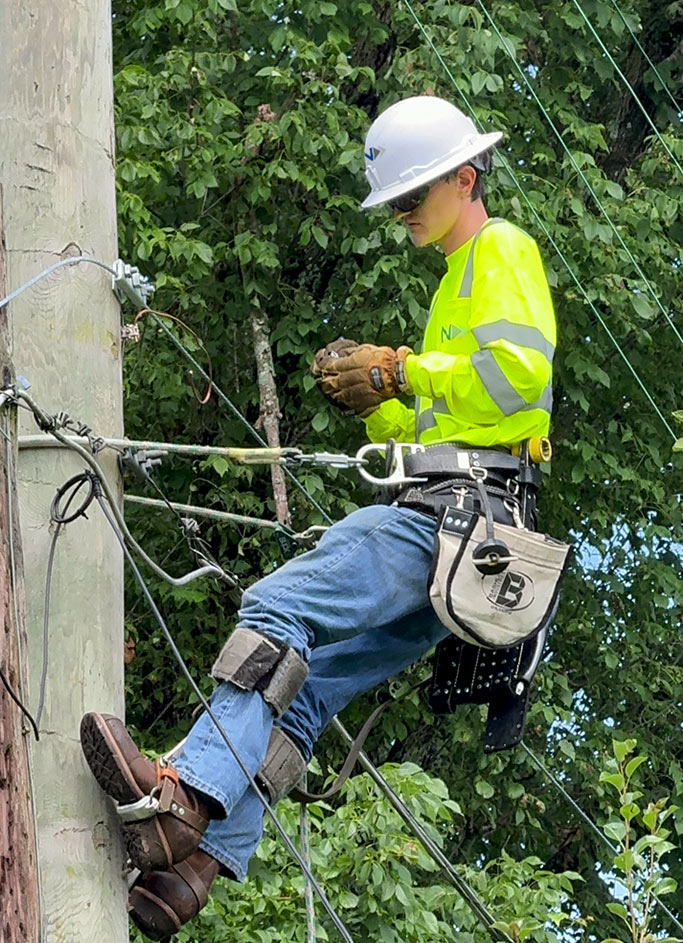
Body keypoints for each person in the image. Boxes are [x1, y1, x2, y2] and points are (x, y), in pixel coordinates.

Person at [80, 94, 556, 940]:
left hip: (451, 520)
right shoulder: (456, 282)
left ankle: (183, 796)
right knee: (311, 689)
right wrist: (376, 402)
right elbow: (442, 422)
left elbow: (518, 377)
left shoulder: (500, 249)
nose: (405, 214)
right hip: (473, 538)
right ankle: (198, 867)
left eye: (415, 197)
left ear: (466, 177)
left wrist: (405, 369)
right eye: (397, 203)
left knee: (280, 606)